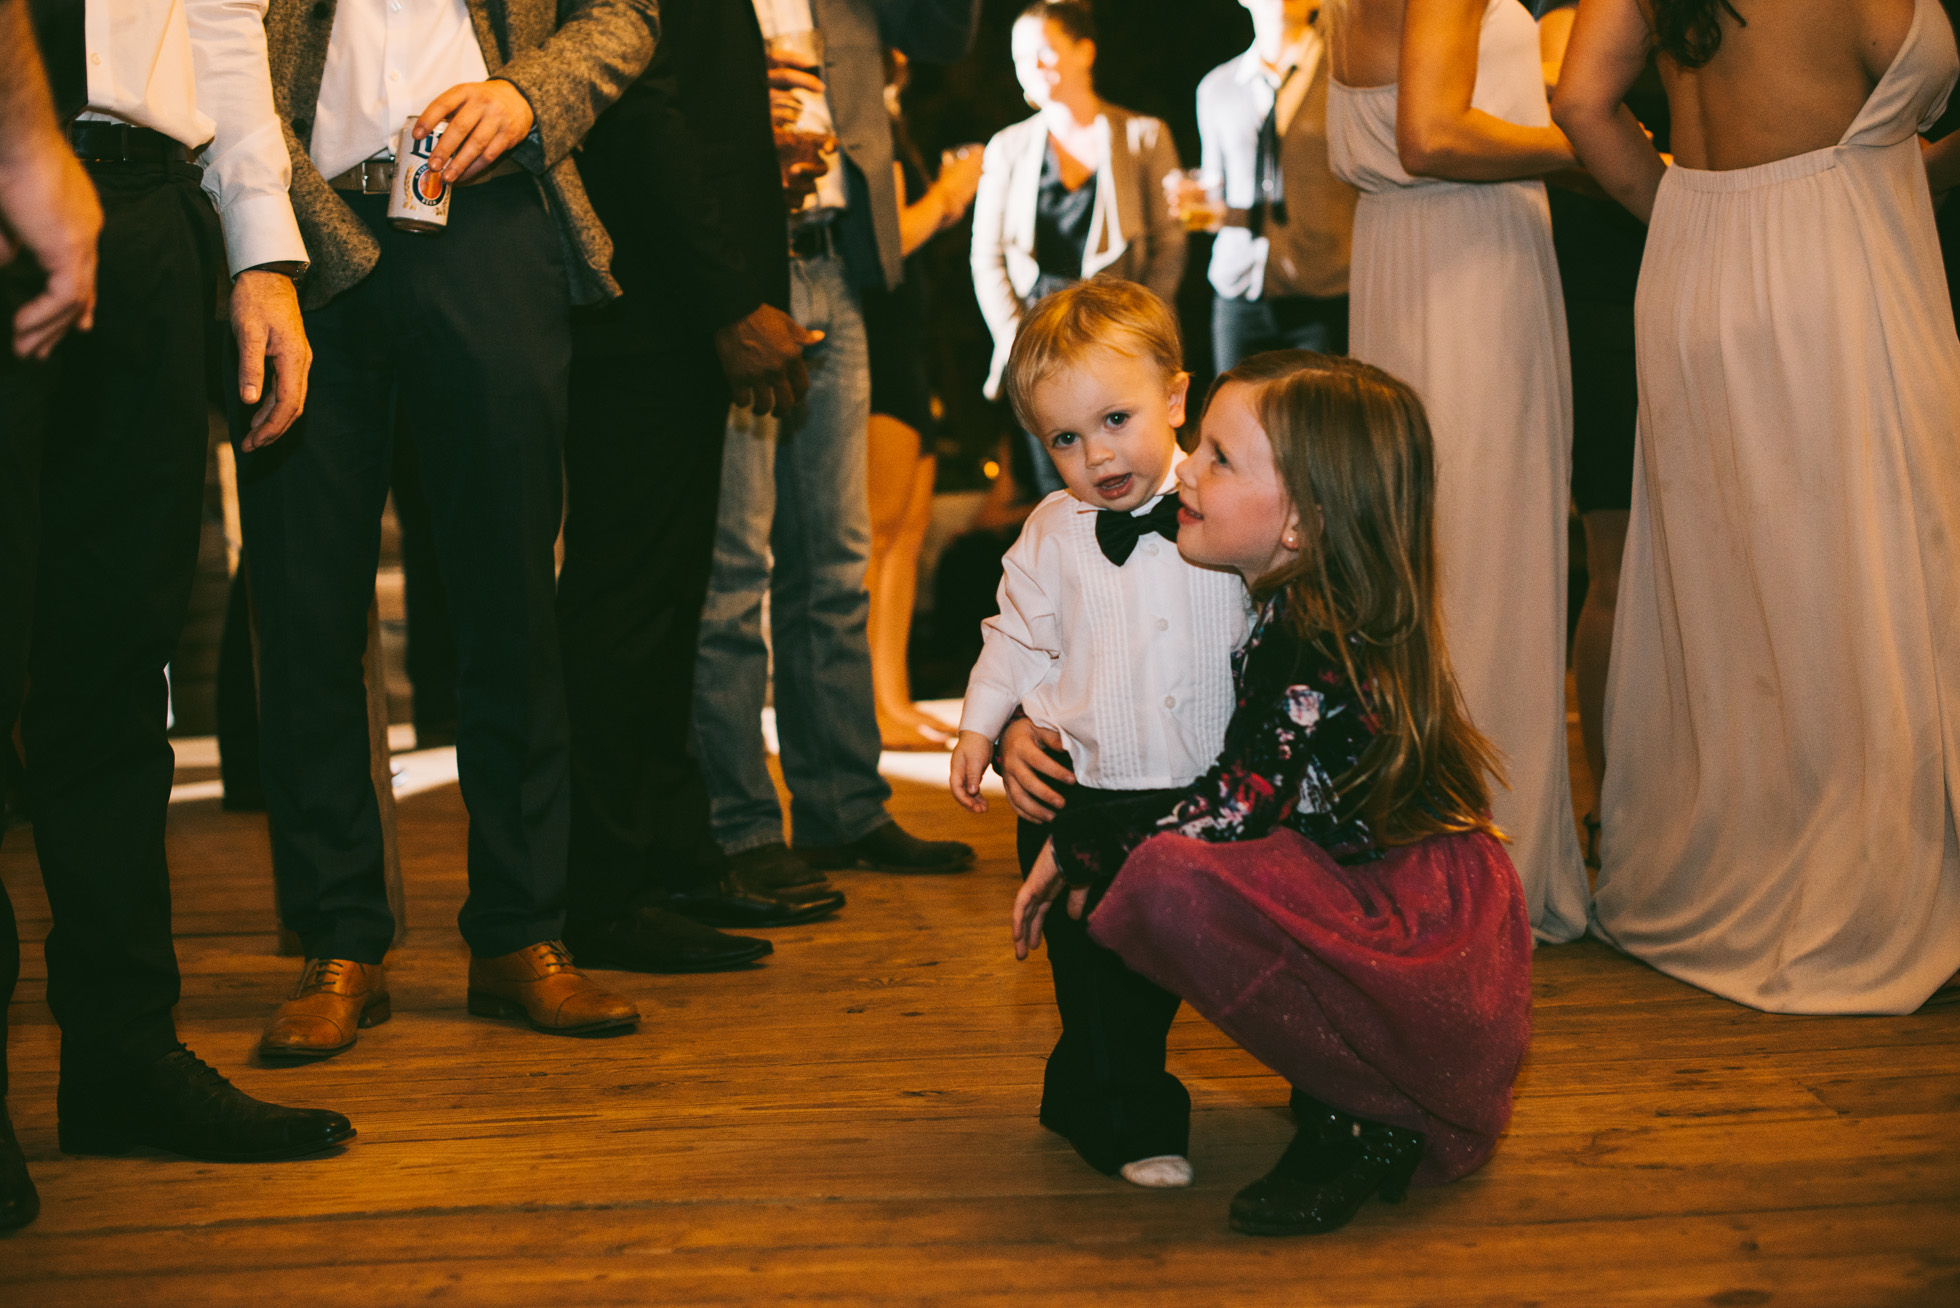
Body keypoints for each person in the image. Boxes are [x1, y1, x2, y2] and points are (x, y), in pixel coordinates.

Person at [1009, 351, 1532, 1238]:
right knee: (1175, 862)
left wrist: (1085, 835)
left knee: (1176, 876)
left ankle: (1360, 1116)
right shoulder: (1311, 601)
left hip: (1416, 949)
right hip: (1408, 920)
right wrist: (1029, 717)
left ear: (1301, 523)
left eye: (1218, 456)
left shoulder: (1309, 636)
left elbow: (1238, 807)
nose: (1186, 469)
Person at [245, 0, 658, 1060]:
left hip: (492, 225)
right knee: (302, 604)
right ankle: (339, 941)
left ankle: (523, 934)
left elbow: (625, 14)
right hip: (290, 226)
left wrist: (529, 93)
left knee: (510, 596)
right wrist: (284, 225)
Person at [1, 0, 354, 1231]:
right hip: (5, 176)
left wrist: (260, 254)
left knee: (117, 665)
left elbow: (220, 17)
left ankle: (121, 1053)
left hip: (152, 212)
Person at [1555, 0, 1960, 1013]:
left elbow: (1580, 100)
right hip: (1831, 257)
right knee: (1868, 563)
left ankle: (1725, 862)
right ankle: (1862, 886)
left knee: (1723, 582)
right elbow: (1892, 70)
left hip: (1696, 260)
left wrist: (1689, 210)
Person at [557, 0, 851, 975]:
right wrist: (726, 298)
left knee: (670, 597)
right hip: (649, 308)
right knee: (627, 604)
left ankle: (668, 858)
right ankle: (605, 893)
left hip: (673, 306)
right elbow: (638, 117)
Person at [949, 279, 1249, 1189]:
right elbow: (1016, 633)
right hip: (1083, 798)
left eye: (1116, 419)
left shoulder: (1223, 508)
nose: (1096, 456)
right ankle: (1127, 1117)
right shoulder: (1051, 532)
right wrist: (981, 726)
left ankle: (1080, 1085)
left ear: (1175, 398)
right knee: (1100, 978)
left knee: (1175, 977)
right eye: (1066, 440)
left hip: (1206, 798)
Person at [691, 0, 981, 898]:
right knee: (735, 567)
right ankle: (738, 829)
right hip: (741, 264)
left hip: (839, 261)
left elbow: (945, 35)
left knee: (835, 561)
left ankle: (843, 807)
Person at [1323, 0, 1588, 942]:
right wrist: (1585, 145)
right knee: (1486, 557)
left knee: (1429, 561)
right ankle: (1481, 870)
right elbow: (1430, 132)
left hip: (1403, 260)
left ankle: (1418, 845)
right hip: (1470, 263)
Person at [1534, 1, 1666, 869]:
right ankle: (1612, 810)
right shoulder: (1565, 15)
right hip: (1606, 298)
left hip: (1680, 285)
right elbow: (1564, 106)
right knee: (1617, 559)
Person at [970, 0, 1186, 497]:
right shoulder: (1007, 147)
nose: (1032, 67)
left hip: (1120, 340)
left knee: (1141, 481)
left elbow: (1169, 248)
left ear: (1085, 52)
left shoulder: (1144, 136)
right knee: (1059, 494)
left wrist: (1137, 336)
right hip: (1042, 342)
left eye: (1044, 52)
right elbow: (987, 256)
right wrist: (1019, 341)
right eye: (1021, 57)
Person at [865, 48, 984, 752]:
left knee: (908, 533)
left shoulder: (892, 119)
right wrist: (946, 197)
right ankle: (869, 707)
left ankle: (895, 697)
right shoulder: (855, 129)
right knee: (876, 536)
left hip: (916, 336)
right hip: (876, 337)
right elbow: (882, 242)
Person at [1173, 0, 1358, 370]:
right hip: (1239, 293)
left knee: (1319, 425)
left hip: (1326, 292)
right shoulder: (1216, 87)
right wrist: (1194, 202)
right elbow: (1216, 192)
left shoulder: (1348, 76)